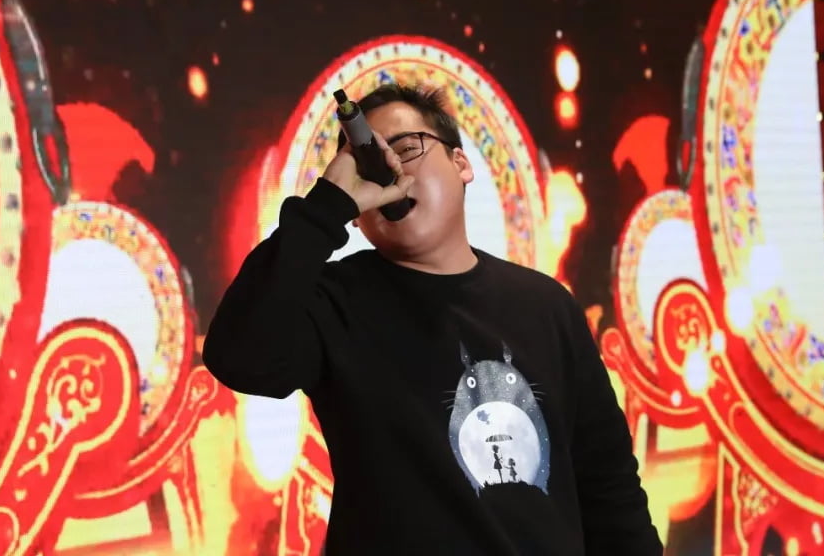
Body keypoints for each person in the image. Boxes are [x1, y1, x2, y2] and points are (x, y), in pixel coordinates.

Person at [203, 84, 663, 555]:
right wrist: (325, 207)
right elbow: (239, 356)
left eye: (407, 149)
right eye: (368, 165)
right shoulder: (336, 301)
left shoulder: (547, 305)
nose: (391, 173)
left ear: (461, 164)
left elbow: (608, 486)